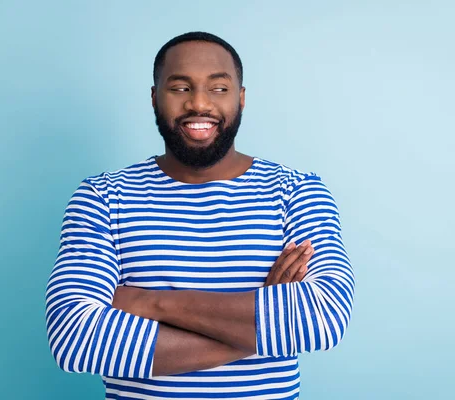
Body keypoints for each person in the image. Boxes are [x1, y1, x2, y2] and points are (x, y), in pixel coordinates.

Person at [45, 31, 355, 400]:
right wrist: (267, 326)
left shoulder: (297, 191)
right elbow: (74, 337)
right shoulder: (103, 197)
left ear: (241, 98)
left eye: (219, 88)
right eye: (180, 88)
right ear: (154, 98)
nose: (199, 104)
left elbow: (323, 316)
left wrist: (148, 302)